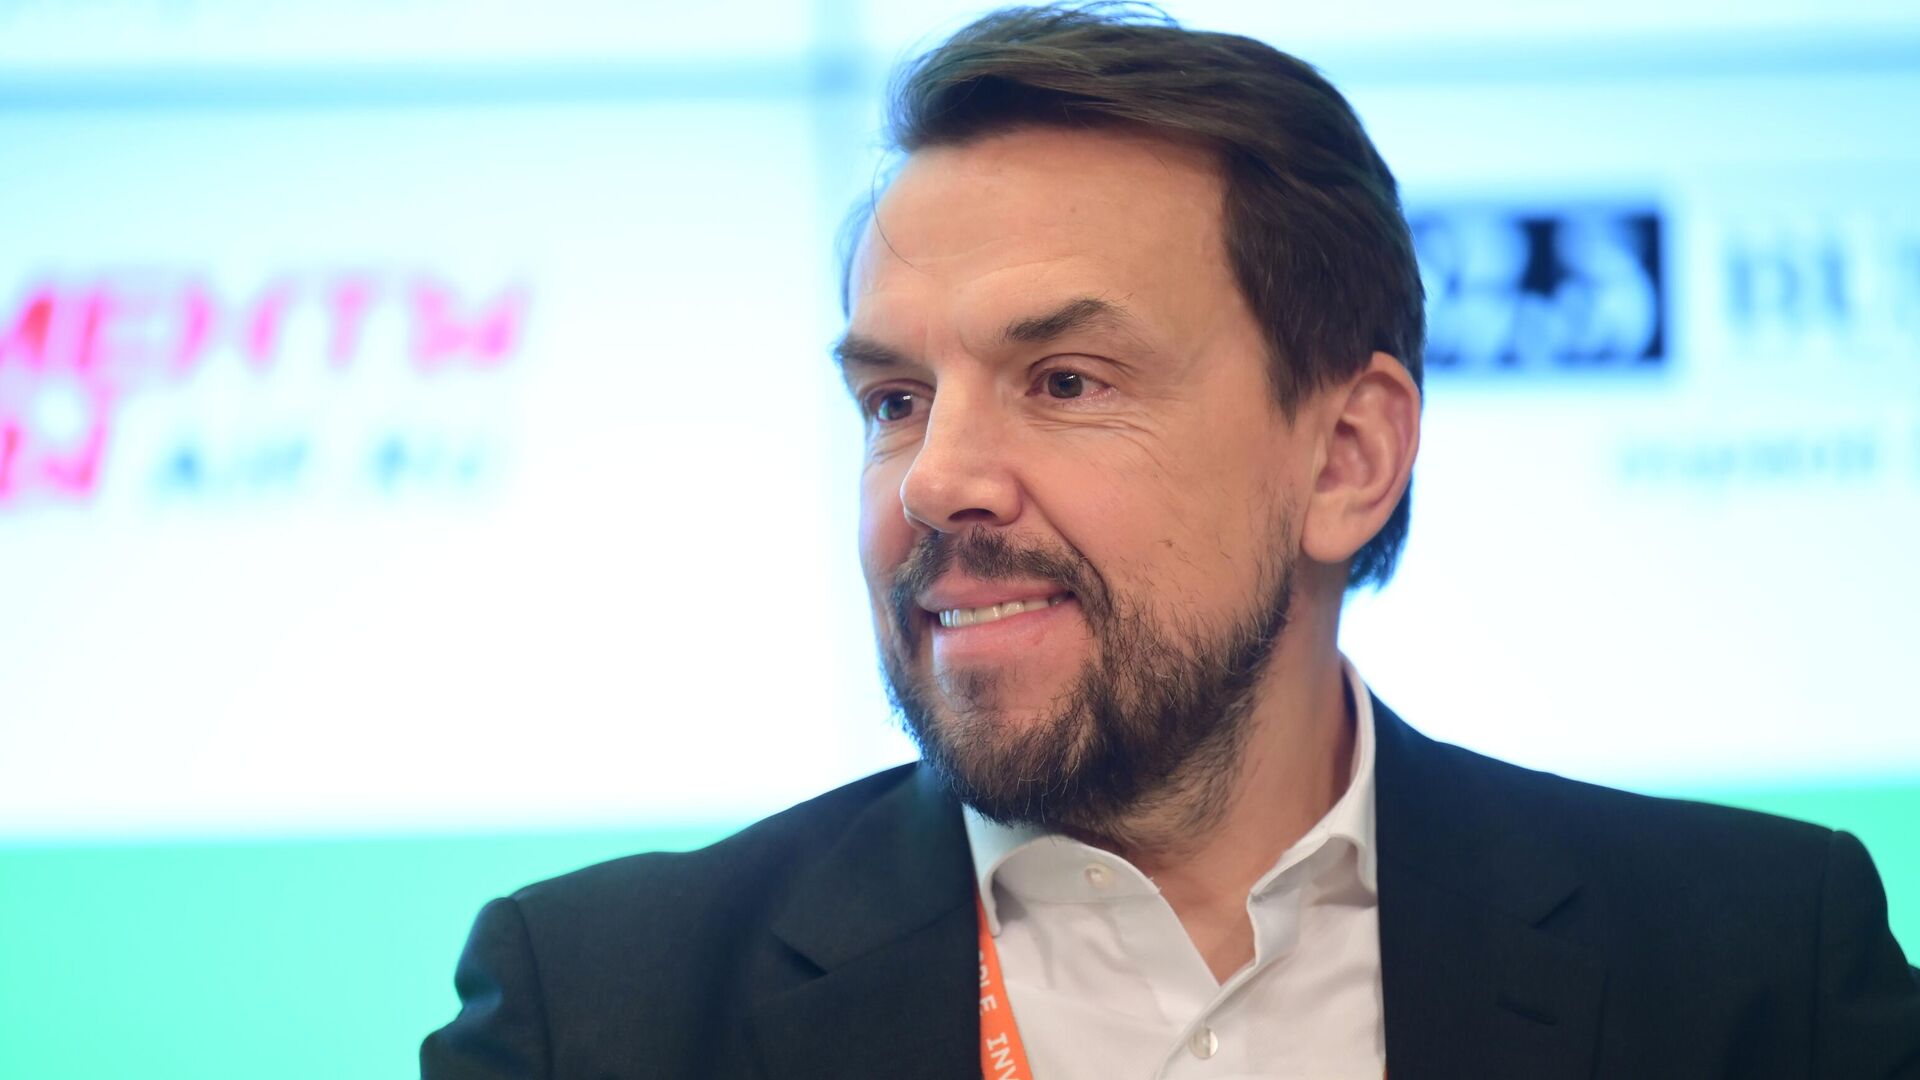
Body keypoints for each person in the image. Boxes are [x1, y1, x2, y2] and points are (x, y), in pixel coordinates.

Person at [421, 6, 1920, 1077]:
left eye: (1066, 382)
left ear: (1346, 457)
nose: (936, 481)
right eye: (894, 400)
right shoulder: (600, 1019)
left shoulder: (1754, 973)